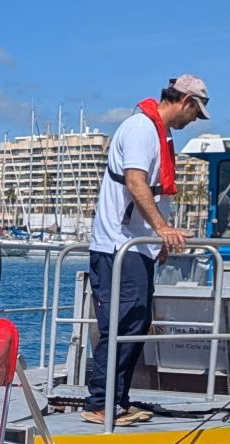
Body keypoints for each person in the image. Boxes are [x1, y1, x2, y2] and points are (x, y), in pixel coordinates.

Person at [81, 75, 211, 426]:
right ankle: (99, 402)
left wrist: (157, 244)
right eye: (195, 113)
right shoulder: (141, 129)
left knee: (136, 323)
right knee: (120, 324)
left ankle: (116, 401)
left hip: (137, 246)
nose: (193, 121)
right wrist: (163, 230)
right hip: (117, 245)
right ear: (184, 102)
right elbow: (136, 182)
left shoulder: (160, 134)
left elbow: (155, 191)